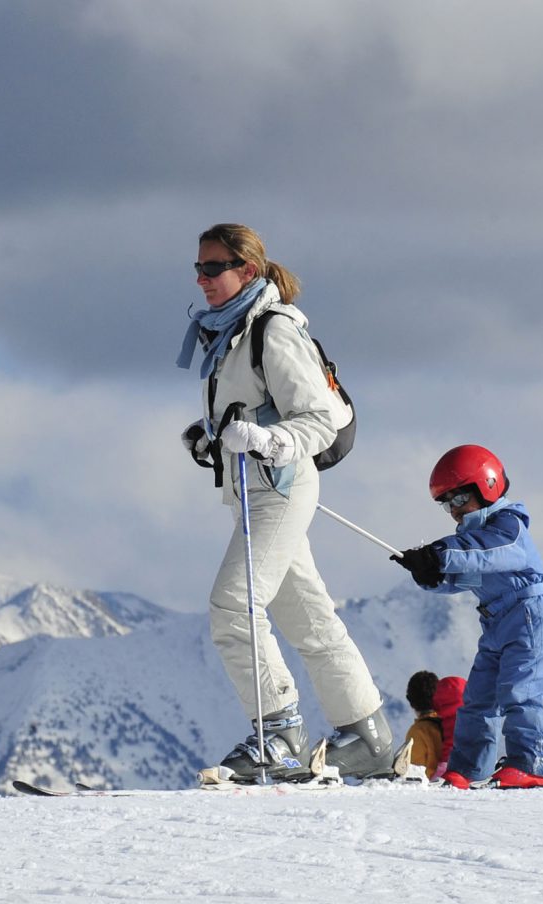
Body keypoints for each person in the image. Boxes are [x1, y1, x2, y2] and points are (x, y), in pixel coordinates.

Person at [177, 222, 393, 781]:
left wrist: (269, 441)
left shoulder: (272, 330)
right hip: (252, 491)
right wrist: (211, 435)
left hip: (280, 486)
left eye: (213, 268)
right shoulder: (229, 334)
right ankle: (368, 736)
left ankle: (279, 734)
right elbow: (250, 412)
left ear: (246, 270)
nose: (202, 279)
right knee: (308, 618)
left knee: (233, 606)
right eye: (198, 268)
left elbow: (317, 417)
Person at [391, 444, 543, 788]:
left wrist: (438, 554)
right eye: (446, 504)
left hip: (528, 617)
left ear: (486, 487)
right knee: (477, 699)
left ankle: (532, 763)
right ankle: (468, 769)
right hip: (495, 622)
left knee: (521, 691)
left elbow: (489, 553)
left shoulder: (509, 527)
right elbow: (464, 575)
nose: (453, 511)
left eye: (458, 500)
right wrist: (429, 575)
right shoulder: (470, 541)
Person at [402, 671, 443, 779]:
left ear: (410, 701)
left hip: (430, 789)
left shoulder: (417, 732)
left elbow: (414, 771)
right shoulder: (448, 724)